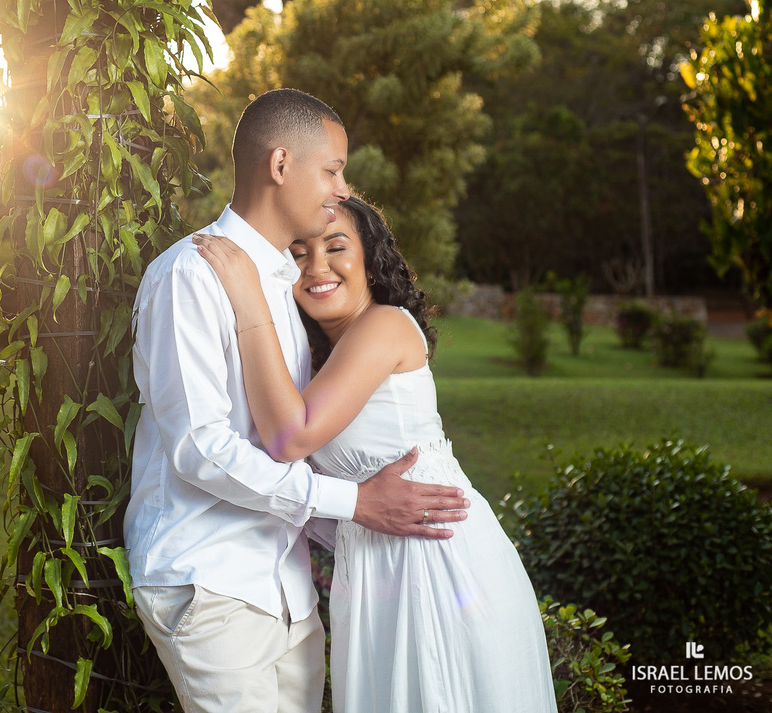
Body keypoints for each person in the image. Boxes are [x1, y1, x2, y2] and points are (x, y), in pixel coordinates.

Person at [123, 88, 471, 713]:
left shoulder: (290, 290)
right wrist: (356, 504)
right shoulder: (191, 275)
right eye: (333, 169)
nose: (342, 189)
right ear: (281, 165)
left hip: (286, 587)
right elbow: (201, 449)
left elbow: (294, 435)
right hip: (213, 581)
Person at [192, 194, 558, 713]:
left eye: (335, 246)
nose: (317, 267)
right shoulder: (320, 362)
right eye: (298, 253)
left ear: (370, 257)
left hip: (435, 559)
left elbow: (288, 438)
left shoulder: (384, 324)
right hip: (375, 567)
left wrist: (248, 301)